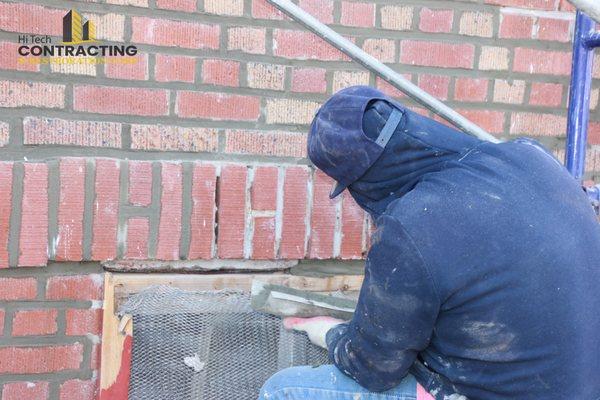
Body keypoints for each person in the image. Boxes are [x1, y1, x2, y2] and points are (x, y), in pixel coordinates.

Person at [258, 86, 600, 400]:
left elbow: (374, 370)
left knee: (283, 390)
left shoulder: (413, 224)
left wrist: (332, 335)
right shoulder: (530, 155)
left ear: (365, 179)